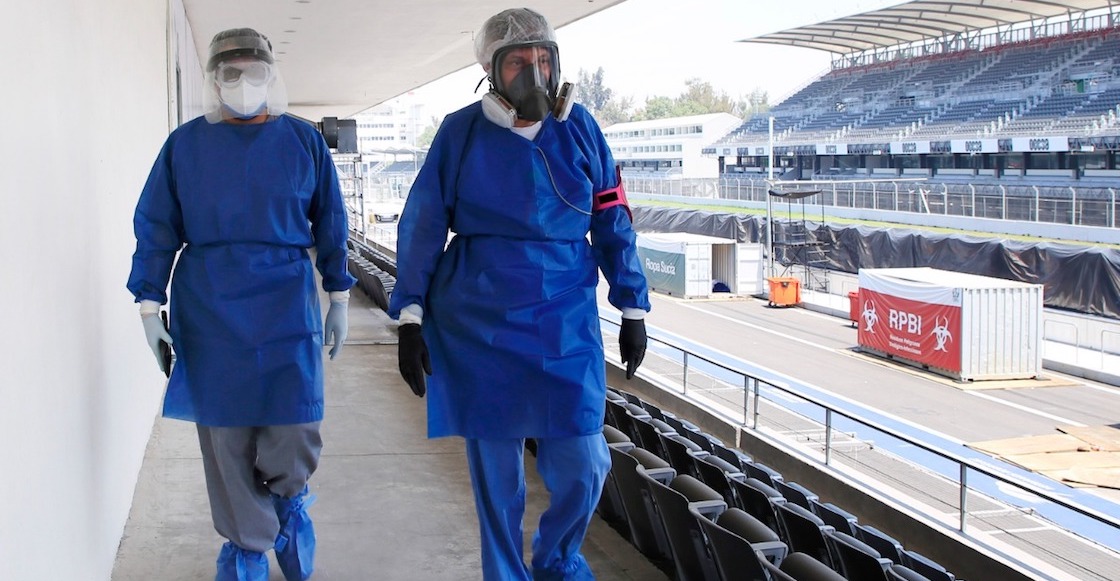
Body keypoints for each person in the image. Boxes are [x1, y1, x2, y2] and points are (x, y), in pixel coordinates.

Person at [389, 8, 651, 580]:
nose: (534, 72)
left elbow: (611, 215)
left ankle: (557, 562)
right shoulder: (460, 132)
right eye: (517, 61)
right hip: (478, 319)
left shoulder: (580, 127)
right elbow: (424, 222)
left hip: (565, 318)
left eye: (543, 60)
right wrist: (409, 314)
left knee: (584, 464)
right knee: (496, 476)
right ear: (491, 70)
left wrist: (632, 302)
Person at [126, 27, 355, 581]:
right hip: (210, 306)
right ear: (213, 81)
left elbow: (330, 221)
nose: (243, 83)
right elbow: (157, 226)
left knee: (294, 424)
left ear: (271, 74)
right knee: (226, 439)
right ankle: (247, 547)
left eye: (254, 71)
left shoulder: (302, 142)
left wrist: (339, 294)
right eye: (230, 74)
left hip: (287, 301)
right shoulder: (184, 146)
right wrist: (148, 304)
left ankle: (290, 500)